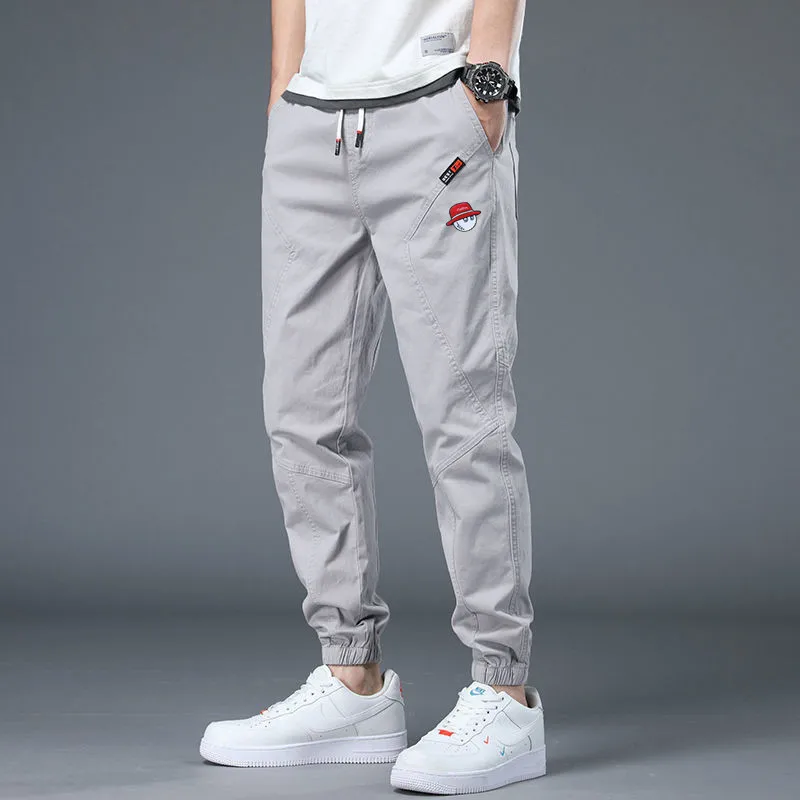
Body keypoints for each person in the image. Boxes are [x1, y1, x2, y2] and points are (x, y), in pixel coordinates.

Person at [199, 0, 545, 792]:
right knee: (301, 415)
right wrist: (285, 87)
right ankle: (351, 678)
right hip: (311, 121)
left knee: (464, 417)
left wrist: (488, 79)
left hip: (435, 106)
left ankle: (504, 690)